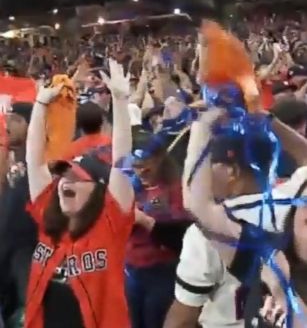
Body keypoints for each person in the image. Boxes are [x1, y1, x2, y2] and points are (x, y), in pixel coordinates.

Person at [25, 59, 134, 328]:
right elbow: (33, 161)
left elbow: (122, 162)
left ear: (98, 190)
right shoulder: (49, 222)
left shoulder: (110, 223)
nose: (64, 183)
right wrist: (40, 106)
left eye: (75, 178)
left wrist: (120, 102)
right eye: (63, 176)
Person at [183, 107, 307, 326]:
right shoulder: (274, 264)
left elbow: (196, 203)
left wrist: (202, 126)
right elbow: (197, 204)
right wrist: (266, 118)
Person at [125, 132, 189, 328]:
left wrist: (145, 221)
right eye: (135, 166)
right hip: (131, 269)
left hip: (163, 271)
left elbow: (184, 238)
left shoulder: (177, 188)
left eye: (145, 164)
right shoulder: (128, 186)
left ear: (160, 159)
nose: (140, 171)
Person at [0, 103, 37, 326]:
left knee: (27, 304)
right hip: (4, 243)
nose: (8, 123)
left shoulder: (37, 156)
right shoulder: (6, 150)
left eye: (14, 118)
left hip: (23, 247)